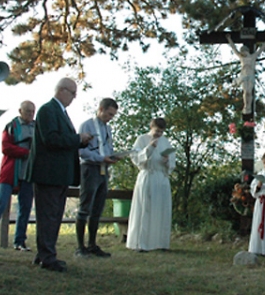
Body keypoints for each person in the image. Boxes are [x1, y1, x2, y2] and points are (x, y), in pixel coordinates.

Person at [26, 78, 92, 272]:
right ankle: (47, 257)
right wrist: (77, 138)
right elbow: (51, 139)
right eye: (73, 93)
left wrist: (81, 142)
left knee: (54, 215)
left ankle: (45, 253)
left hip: (59, 173)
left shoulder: (60, 112)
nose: (74, 97)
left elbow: (63, 140)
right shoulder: (48, 110)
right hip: (49, 173)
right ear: (62, 90)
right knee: (48, 215)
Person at [0, 101, 36, 252]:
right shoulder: (11, 127)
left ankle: (20, 241)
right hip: (10, 172)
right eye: (28, 111)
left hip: (28, 173)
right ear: (20, 111)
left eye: (32, 111)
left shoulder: (37, 127)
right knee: (0, 204)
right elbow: (6, 148)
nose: (30, 114)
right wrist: (25, 153)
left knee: (25, 207)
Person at [75, 98, 120, 258]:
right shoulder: (87, 125)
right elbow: (82, 151)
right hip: (90, 168)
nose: (110, 118)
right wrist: (100, 158)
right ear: (101, 109)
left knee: (98, 208)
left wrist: (113, 157)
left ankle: (92, 244)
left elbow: (108, 147)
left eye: (113, 116)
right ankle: (80, 247)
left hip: (103, 170)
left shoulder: (107, 128)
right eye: (109, 114)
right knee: (85, 206)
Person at [126, 117, 175, 251]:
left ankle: (160, 243)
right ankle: (142, 244)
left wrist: (167, 161)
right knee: (146, 209)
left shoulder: (165, 141)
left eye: (161, 132)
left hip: (162, 178)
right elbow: (136, 158)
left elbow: (172, 161)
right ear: (151, 127)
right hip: (148, 175)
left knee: (161, 209)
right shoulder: (141, 139)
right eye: (157, 131)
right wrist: (149, 148)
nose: (159, 134)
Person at [226, 34, 265, 114]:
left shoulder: (253, 57)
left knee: (248, 92)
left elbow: (262, 48)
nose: (242, 53)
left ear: (245, 51)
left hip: (250, 76)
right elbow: (234, 48)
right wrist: (229, 39)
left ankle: (248, 107)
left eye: (242, 51)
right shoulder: (241, 57)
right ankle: (246, 106)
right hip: (243, 76)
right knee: (245, 92)